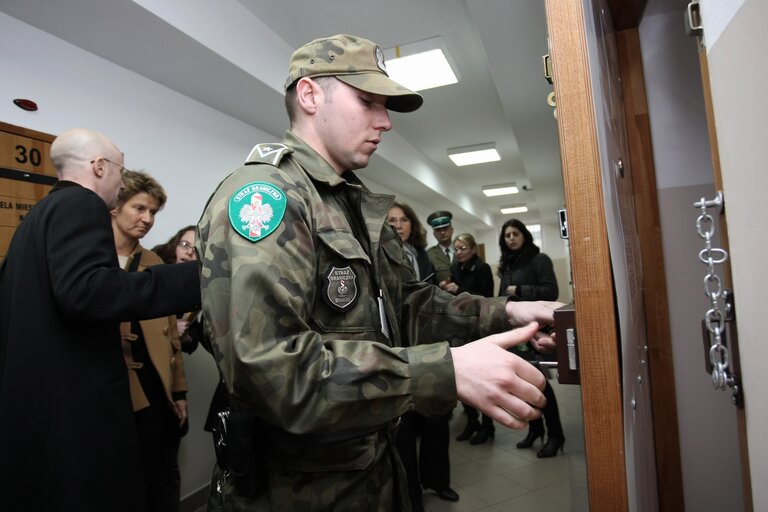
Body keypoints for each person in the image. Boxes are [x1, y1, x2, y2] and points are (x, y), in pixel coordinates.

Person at [197, 34, 561, 512]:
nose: (385, 121)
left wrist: (508, 311)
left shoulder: (351, 202)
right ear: (309, 96)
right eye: (367, 101)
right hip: (297, 492)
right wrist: (443, 370)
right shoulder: (267, 199)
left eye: (384, 106)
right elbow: (271, 372)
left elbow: (408, 304)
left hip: (371, 469)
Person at [0, 128, 200, 512]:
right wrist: (198, 277)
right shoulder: (81, 204)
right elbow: (88, 291)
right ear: (98, 167)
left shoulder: (38, 216)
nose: (121, 184)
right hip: (78, 404)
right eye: (120, 173)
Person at [111, 171, 189, 512]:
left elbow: (172, 337)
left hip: (157, 392)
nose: (147, 219)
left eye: (153, 212)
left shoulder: (155, 263)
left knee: (161, 475)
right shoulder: (91, 260)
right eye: (139, 208)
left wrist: (180, 392)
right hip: (111, 392)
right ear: (115, 207)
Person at [387, 202, 458, 510]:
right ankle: (411, 493)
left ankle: (439, 481)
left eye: (404, 219)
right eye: (391, 220)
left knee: (436, 420)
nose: (398, 224)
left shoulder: (424, 256)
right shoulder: (380, 256)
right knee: (404, 431)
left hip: (430, 344)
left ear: (412, 225)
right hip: (400, 351)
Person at [498, 218, 565, 458]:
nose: (512, 238)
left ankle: (556, 435)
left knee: (541, 386)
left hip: (538, 332)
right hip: (516, 334)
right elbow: (501, 299)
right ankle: (536, 430)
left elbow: (551, 291)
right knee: (524, 386)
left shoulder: (539, 259)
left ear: (524, 235)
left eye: (515, 233)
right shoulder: (507, 265)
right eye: (507, 235)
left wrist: (521, 291)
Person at [442, 233, 497, 445]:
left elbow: (485, 297)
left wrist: (460, 290)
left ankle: (487, 425)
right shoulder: (455, 269)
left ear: (473, 249)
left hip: (478, 328)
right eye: (456, 249)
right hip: (458, 329)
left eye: (463, 248)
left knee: (482, 378)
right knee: (463, 379)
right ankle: (472, 422)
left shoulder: (482, 268)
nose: (459, 252)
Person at [425, 210, 455, 284]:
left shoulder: (463, 250)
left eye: (445, 228)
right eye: (438, 230)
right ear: (434, 234)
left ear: (452, 230)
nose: (442, 232)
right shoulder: (429, 255)